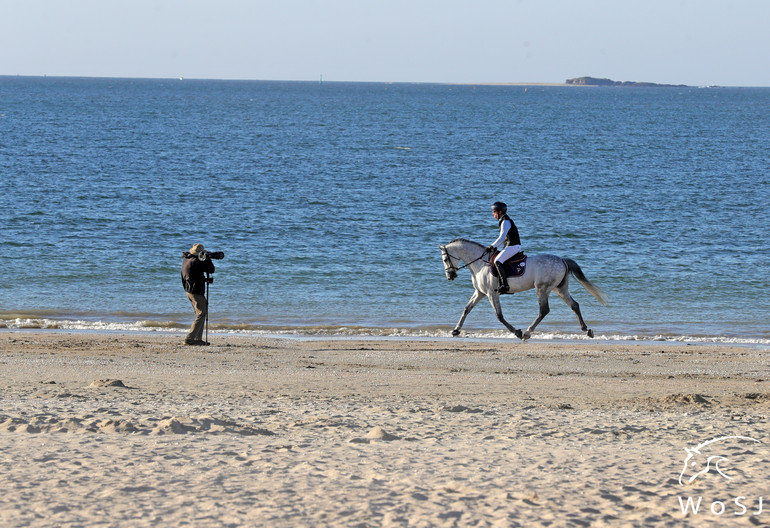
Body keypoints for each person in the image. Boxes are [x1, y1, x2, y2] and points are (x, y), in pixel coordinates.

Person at [181, 243, 216, 345]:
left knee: (201, 312)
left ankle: (197, 339)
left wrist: (204, 279)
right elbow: (211, 269)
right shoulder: (196, 261)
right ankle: (190, 338)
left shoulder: (187, 259)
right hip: (195, 291)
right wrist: (208, 259)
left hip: (189, 290)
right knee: (201, 313)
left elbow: (192, 275)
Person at [487, 201, 522, 293]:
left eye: (494, 212)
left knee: (497, 261)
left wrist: (492, 246)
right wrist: (495, 247)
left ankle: (505, 285)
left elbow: (501, 237)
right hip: (510, 246)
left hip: (513, 246)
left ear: (499, 212)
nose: (493, 214)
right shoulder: (503, 221)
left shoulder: (505, 221)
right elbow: (503, 239)